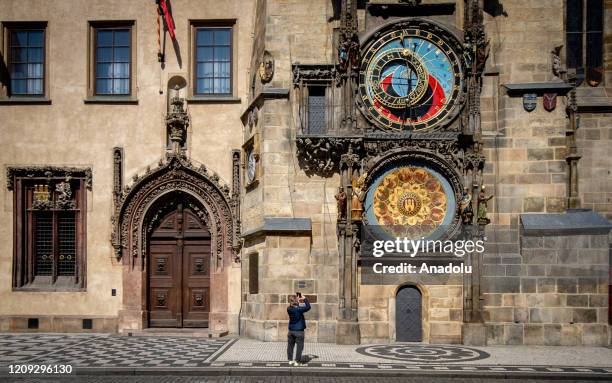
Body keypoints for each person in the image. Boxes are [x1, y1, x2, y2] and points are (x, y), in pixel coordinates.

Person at [287, 293, 310, 366]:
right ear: (296, 301)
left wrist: (297, 301)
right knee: (299, 347)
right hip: (299, 331)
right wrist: (304, 299)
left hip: (291, 331)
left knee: (290, 346)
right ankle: (297, 361)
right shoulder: (299, 310)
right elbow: (308, 307)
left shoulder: (289, 309)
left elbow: (295, 306)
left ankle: (290, 360)